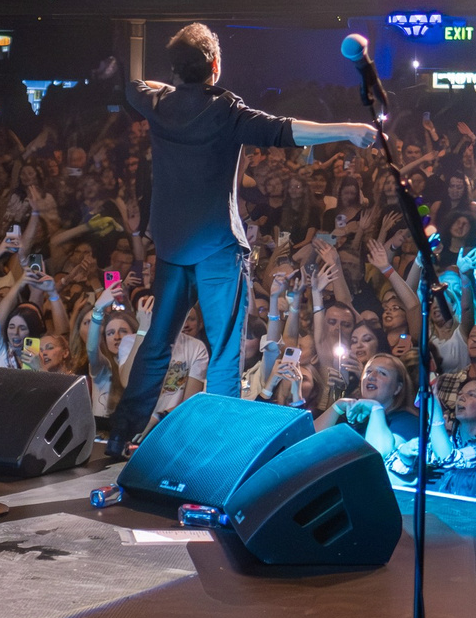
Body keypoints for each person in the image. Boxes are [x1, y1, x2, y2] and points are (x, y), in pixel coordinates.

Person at [102, 23, 375, 459]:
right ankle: (221, 445)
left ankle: (120, 435)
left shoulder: (155, 103)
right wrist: (346, 128)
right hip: (217, 248)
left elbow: (139, 85)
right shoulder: (225, 111)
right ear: (215, 65)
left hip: (172, 247)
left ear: (177, 70)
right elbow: (286, 130)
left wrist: (177, 88)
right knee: (226, 348)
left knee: (156, 344)